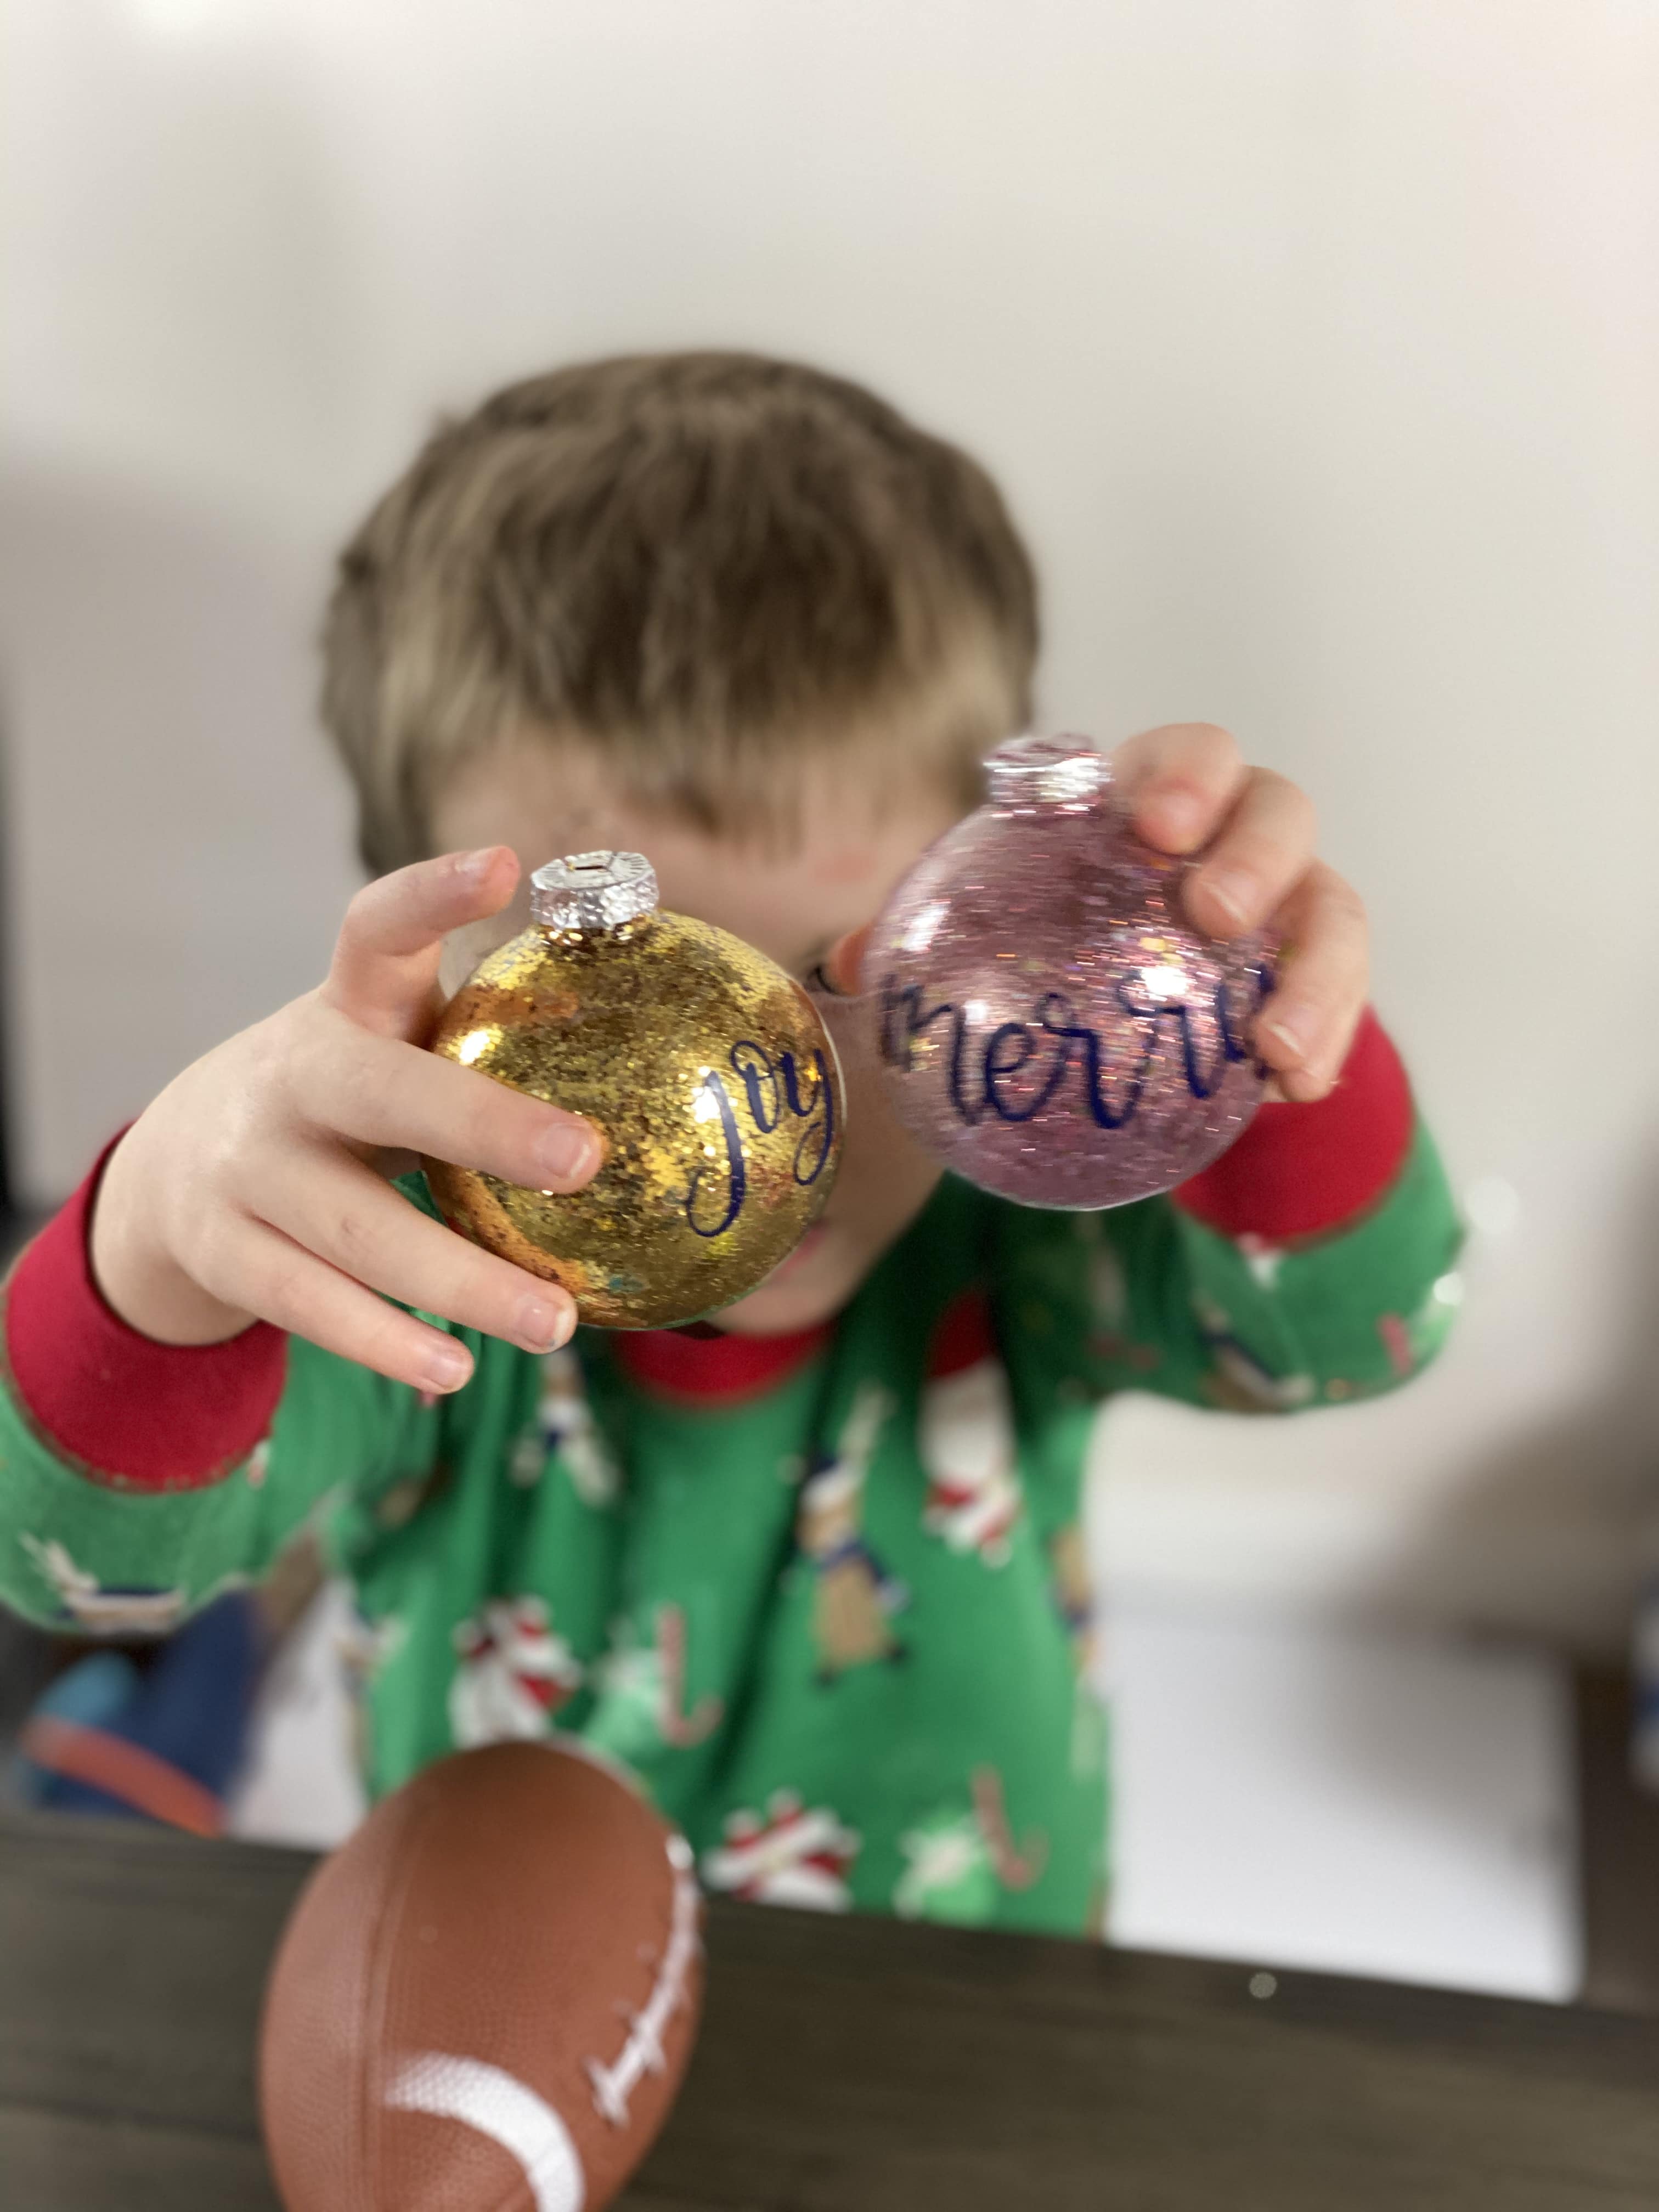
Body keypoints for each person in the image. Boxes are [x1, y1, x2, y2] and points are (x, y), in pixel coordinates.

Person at [0, 353, 1459, 1928]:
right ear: (442, 992)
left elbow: (1349, 1341)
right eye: (612, 1033)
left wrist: (1241, 1026)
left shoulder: (1023, 1208)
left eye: (853, 987)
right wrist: (150, 1247)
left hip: (984, 2012)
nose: (762, 1141)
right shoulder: (402, 1275)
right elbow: (84, 1565)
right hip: (499, 1999)